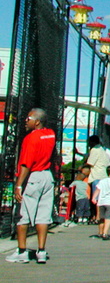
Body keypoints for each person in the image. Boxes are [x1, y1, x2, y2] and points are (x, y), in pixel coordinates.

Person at [5, 108, 57, 264]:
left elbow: (26, 164)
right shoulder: (51, 134)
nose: (26, 121)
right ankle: (41, 250)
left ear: (37, 121)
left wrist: (19, 185)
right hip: (47, 176)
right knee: (43, 216)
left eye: (28, 119)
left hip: (33, 177)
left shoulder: (30, 139)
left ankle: (22, 251)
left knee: (24, 216)